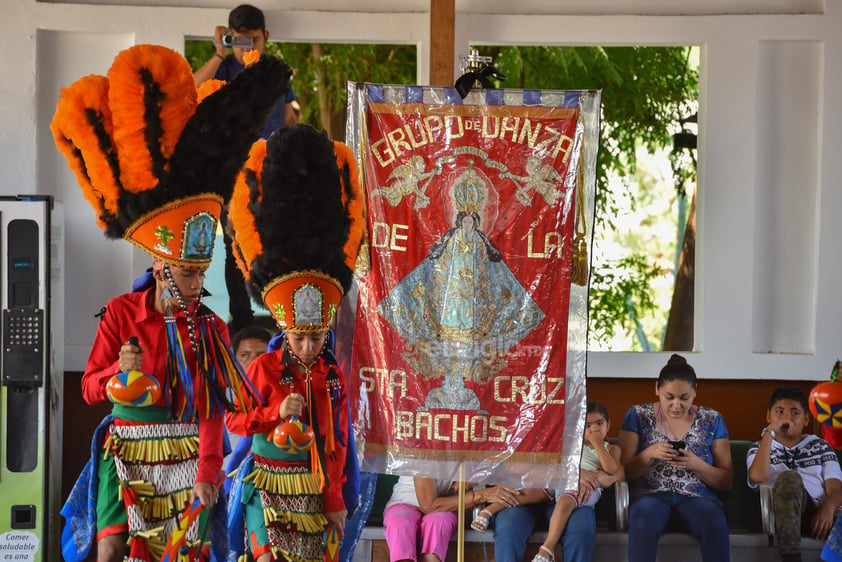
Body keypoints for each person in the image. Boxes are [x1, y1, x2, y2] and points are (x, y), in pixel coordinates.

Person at [52, 45, 289, 562]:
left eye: (201, 274)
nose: (194, 283)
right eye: (186, 273)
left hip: (185, 450)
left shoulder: (207, 326)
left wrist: (209, 470)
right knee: (113, 548)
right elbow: (92, 389)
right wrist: (118, 370)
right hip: (128, 447)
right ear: (160, 267)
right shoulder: (120, 313)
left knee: (184, 553)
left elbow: (210, 405)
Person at [225, 124, 364, 562]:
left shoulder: (333, 377)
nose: (307, 347)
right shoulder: (263, 370)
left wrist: (336, 498)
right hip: (265, 486)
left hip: (314, 489)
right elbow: (233, 421)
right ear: (286, 331)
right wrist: (273, 413)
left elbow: (338, 442)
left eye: (316, 337)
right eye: (300, 337)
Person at [194, 4, 300, 334]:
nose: (247, 49)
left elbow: (288, 117)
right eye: (240, 41)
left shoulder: (275, 71)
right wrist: (218, 52)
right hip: (231, 172)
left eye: (252, 41)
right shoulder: (223, 68)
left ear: (265, 37)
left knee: (273, 243)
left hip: (269, 171)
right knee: (233, 244)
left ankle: (281, 318)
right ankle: (241, 321)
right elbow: (189, 90)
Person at [618, 353, 733, 562]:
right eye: (669, 397)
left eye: (684, 398)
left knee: (714, 521)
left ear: (695, 392)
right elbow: (623, 473)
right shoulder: (638, 415)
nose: (677, 405)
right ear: (657, 389)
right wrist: (649, 454)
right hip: (650, 496)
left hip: (698, 498)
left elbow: (727, 481)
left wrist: (698, 465)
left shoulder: (712, 419)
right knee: (642, 518)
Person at [473, 401, 622, 562]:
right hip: (534, 491)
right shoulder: (520, 424)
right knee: (509, 528)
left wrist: (595, 478)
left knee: (581, 528)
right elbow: (515, 469)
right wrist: (572, 473)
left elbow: (617, 474)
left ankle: (547, 550)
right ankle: (489, 513)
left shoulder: (578, 436)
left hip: (573, 493)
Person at [746, 387, 842, 562]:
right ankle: (791, 558)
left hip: (818, 513)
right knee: (790, 477)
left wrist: (828, 508)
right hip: (781, 516)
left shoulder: (820, 446)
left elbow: (836, 489)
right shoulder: (759, 447)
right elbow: (757, 477)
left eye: (795, 413)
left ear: (806, 419)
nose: (786, 418)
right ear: (769, 417)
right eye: (779, 412)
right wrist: (769, 433)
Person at [384, 476, 520, 562]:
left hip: (447, 505)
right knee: (400, 523)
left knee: (438, 522)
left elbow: (490, 463)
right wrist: (480, 495)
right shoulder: (422, 440)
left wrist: (474, 475)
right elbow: (429, 505)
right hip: (405, 501)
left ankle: (431, 559)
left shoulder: (467, 438)